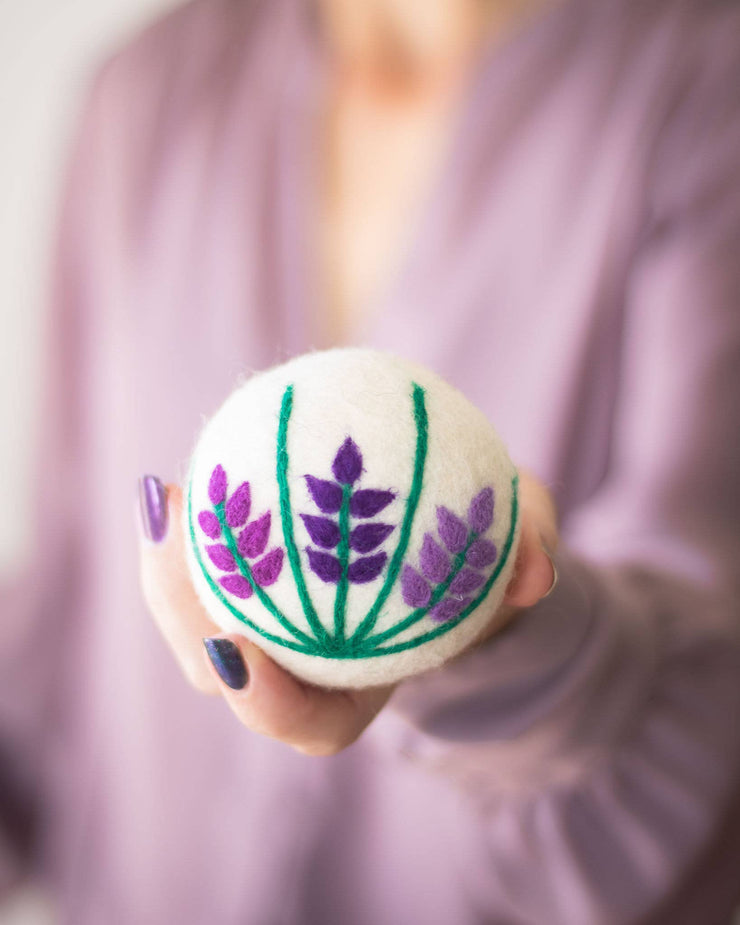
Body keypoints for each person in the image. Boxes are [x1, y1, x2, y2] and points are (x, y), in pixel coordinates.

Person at [2, 0, 740, 921]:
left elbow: (706, 684)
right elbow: (69, 613)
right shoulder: (146, 92)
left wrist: (503, 642)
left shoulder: (709, 89)